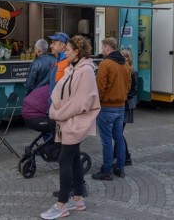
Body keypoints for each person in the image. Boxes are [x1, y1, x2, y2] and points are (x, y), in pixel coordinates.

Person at [41, 35, 100, 220]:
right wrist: (54, 109)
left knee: (64, 160)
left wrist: (58, 113)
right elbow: (58, 92)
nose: (65, 51)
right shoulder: (71, 69)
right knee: (73, 159)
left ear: (77, 51)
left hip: (74, 124)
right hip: (67, 122)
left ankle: (62, 204)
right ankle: (78, 199)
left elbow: (82, 102)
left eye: (68, 49)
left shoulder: (86, 71)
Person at [91, 37, 130, 181]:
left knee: (107, 140)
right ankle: (120, 167)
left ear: (107, 48)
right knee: (118, 138)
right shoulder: (125, 64)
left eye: (102, 48)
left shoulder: (105, 64)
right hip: (120, 106)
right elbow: (128, 84)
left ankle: (106, 170)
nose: (102, 51)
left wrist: (96, 102)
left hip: (107, 107)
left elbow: (99, 87)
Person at [114, 48, 138, 167]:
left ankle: (126, 157)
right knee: (117, 132)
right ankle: (118, 155)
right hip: (122, 104)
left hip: (126, 106)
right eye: (122, 56)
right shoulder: (121, 70)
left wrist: (124, 96)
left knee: (118, 133)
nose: (124, 59)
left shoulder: (132, 71)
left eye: (126, 56)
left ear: (129, 58)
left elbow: (134, 90)